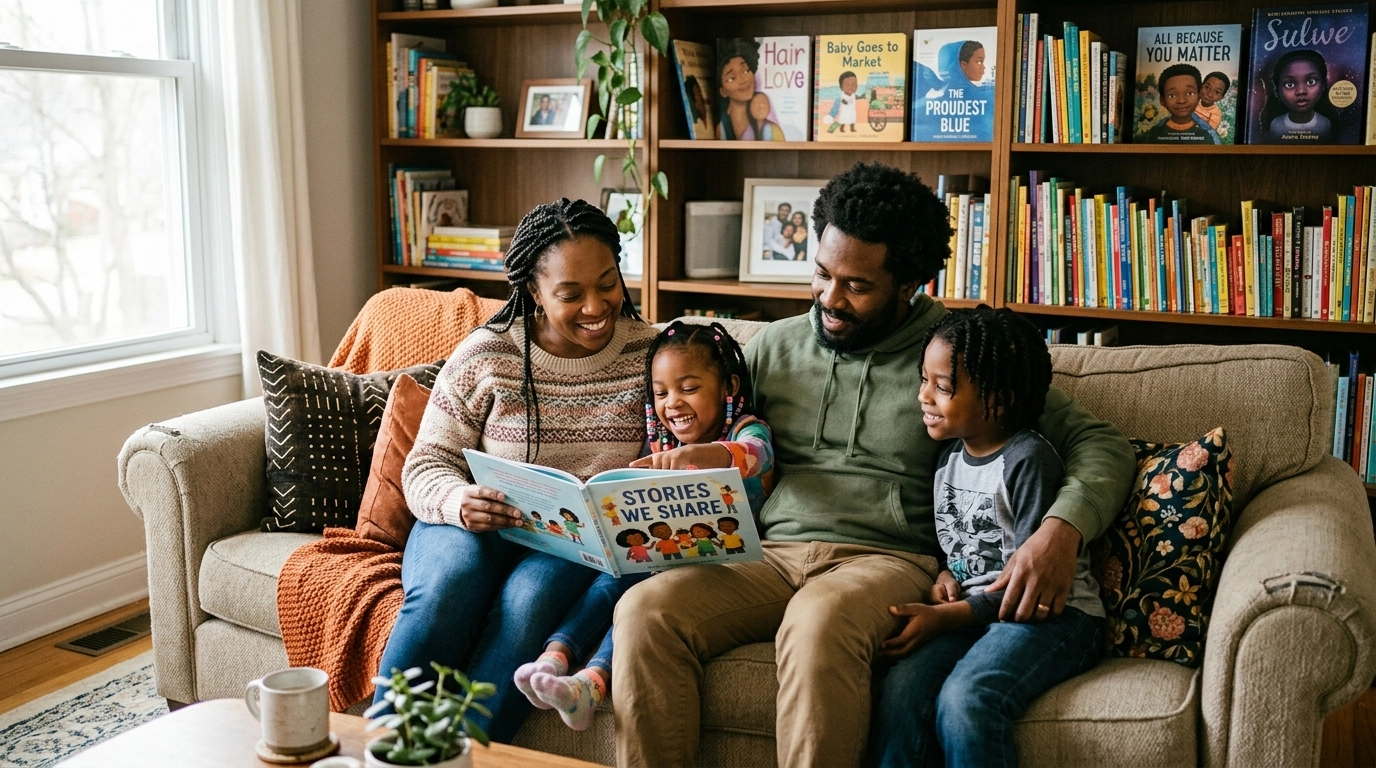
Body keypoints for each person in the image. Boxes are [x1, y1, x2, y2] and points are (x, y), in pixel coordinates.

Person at [612, 162, 1135, 768]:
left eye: (856, 286)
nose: (830, 299)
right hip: (769, 554)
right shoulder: (772, 348)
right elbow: (708, 427)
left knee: (819, 620)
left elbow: (1100, 443)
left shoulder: (958, 355)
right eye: (821, 275)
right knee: (645, 611)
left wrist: (1060, 530)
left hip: (886, 560)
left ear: (908, 283)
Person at [375, 197, 656, 743]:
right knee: (448, 586)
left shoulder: (653, 354)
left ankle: (461, 754)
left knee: (525, 606)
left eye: (608, 284)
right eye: (571, 294)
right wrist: (459, 501)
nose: (596, 307)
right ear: (533, 292)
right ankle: (387, 745)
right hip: (470, 522)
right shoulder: (487, 353)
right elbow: (426, 463)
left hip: (569, 543)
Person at [868, 307, 1106, 767]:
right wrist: (945, 574)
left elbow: (1027, 584)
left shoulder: (1028, 461)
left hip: (1053, 616)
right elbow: (957, 543)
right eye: (924, 380)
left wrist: (947, 617)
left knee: (967, 699)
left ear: (997, 399)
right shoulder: (947, 461)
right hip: (980, 613)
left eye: (941, 387)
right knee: (900, 691)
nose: (923, 396)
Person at [510, 321, 776, 731]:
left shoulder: (744, 429)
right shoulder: (662, 443)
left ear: (729, 387)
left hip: (726, 565)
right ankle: (555, 657)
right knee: (609, 582)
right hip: (662, 556)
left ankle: (592, 683)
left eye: (689, 388)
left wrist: (711, 455)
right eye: (662, 392)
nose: (673, 403)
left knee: (642, 603)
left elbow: (758, 455)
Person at [716, 38, 785, 141]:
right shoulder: (721, 130)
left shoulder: (771, 131)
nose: (743, 80)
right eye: (731, 78)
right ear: (722, 91)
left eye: (746, 71)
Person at [1265, 49, 1337, 143]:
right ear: (1277, 90)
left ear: (1323, 85)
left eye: (1311, 82)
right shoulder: (1275, 125)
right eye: (1289, 84)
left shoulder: (1325, 124)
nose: (1301, 91)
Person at [1141, 64, 1221, 143]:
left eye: (1190, 93)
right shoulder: (1153, 135)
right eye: (1172, 95)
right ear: (1162, 101)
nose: (1181, 100)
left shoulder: (1208, 136)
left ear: (1199, 96)